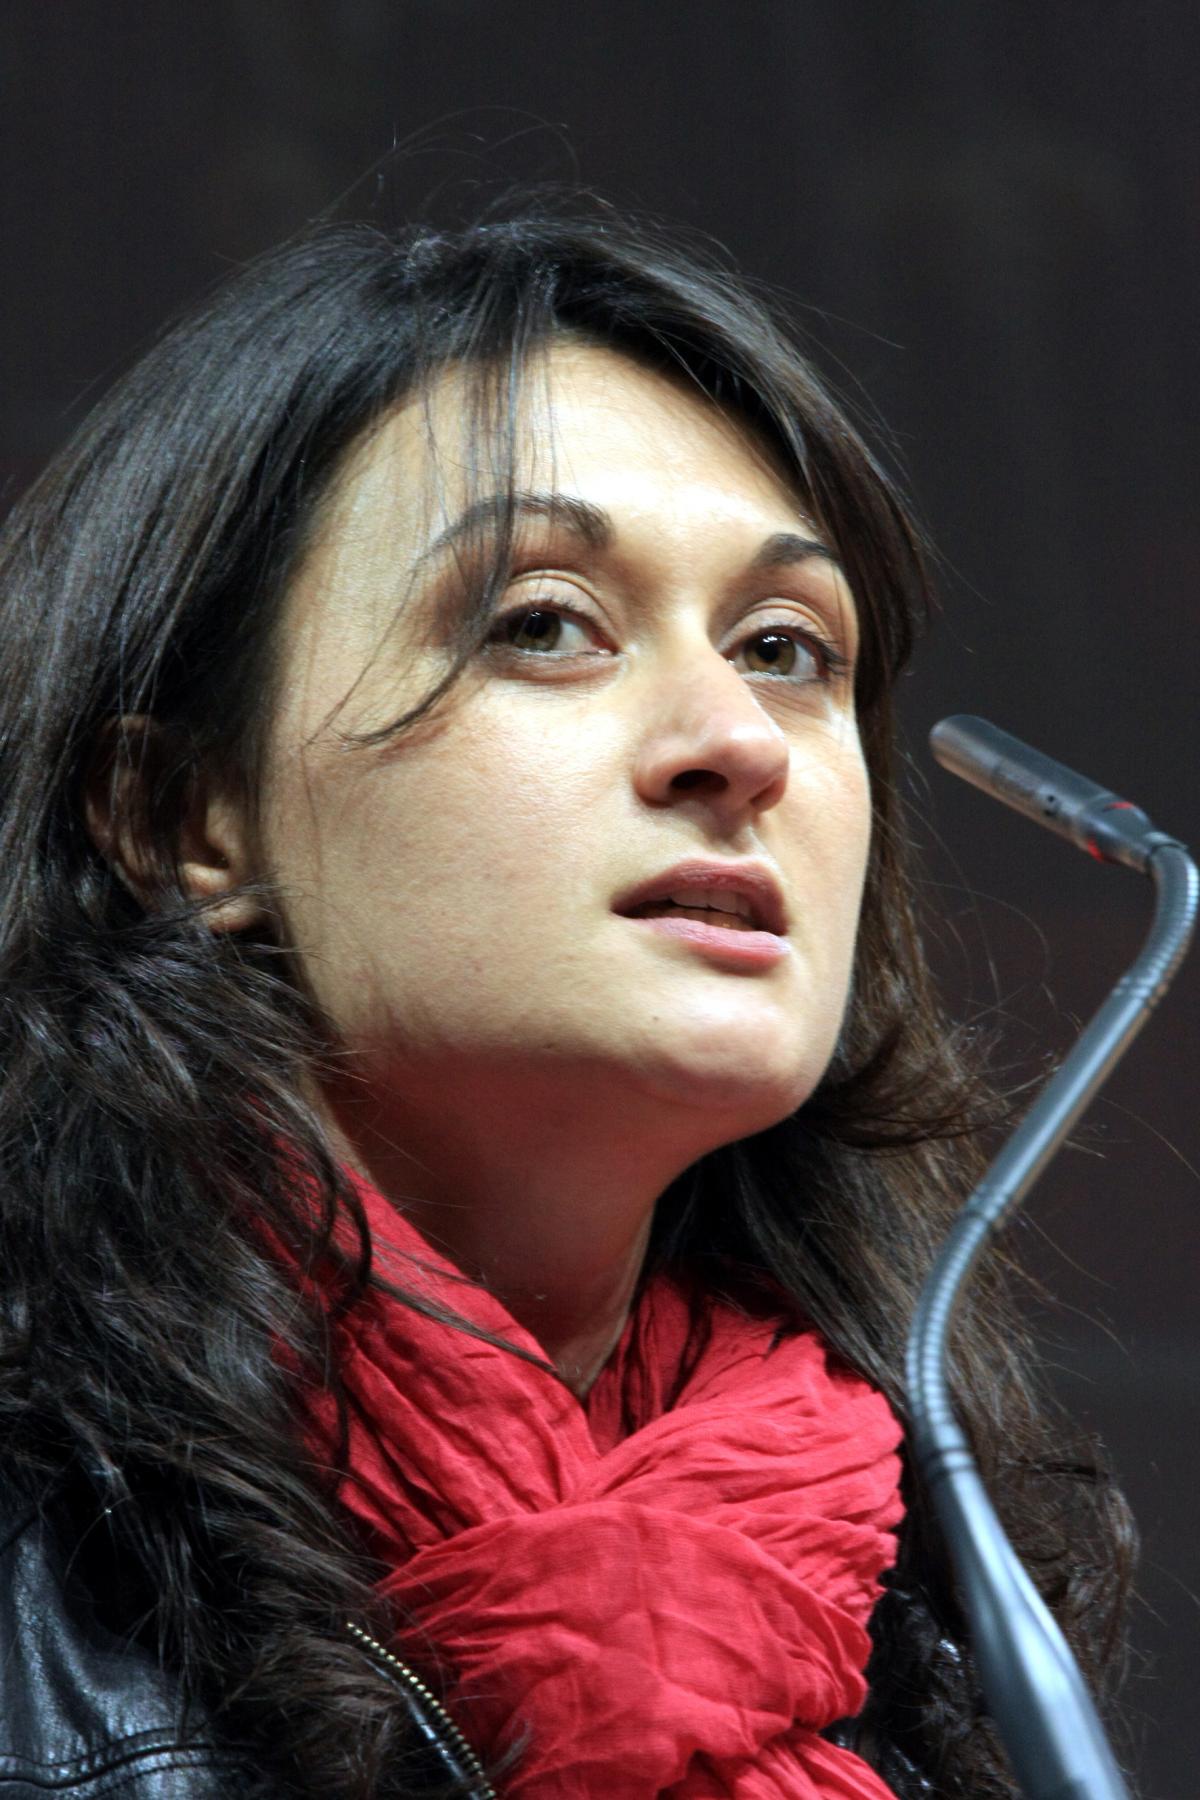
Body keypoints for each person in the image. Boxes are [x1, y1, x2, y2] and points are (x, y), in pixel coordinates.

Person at [0, 209, 1134, 1799]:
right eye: (544, 624)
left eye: (787, 648)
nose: (738, 740)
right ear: (191, 818)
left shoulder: (923, 1610)